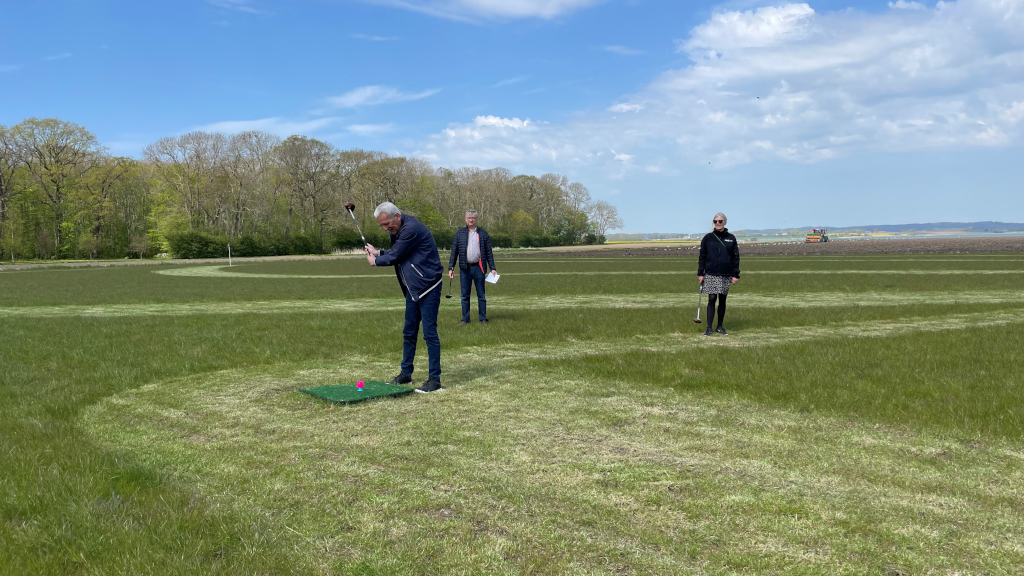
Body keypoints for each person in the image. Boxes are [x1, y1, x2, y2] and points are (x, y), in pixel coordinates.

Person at [365, 202, 445, 393]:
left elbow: (396, 256)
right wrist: (379, 252)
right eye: (382, 226)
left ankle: (435, 380)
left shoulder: (412, 229)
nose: (386, 228)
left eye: (387, 224)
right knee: (409, 332)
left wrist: (375, 260)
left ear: (397, 216)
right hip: (413, 288)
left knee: (429, 333)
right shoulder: (399, 230)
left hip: (428, 285)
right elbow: (400, 253)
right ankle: (406, 373)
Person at [448, 210, 497, 325]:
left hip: (479, 268)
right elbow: (454, 252)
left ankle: (483, 318)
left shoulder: (483, 234)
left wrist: (493, 268)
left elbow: (489, 253)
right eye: (469, 217)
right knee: (464, 295)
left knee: (481, 295)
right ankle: (465, 319)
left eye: (473, 218)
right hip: (465, 269)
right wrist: (451, 267)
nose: (471, 220)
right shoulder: (459, 234)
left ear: (477, 219)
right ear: (466, 219)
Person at [697, 212, 740, 336]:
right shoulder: (708, 238)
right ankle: (709, 327)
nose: (718, 223)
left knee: (722, 299)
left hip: (726, 274)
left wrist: (735, 274)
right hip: (711, 272)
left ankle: (720, 326)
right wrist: (701, 273)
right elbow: (702, 256)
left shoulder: (731, 238)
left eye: (720, 221)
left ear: (725, 222)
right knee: (712, 298)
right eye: (715, 221)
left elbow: (735, 257)